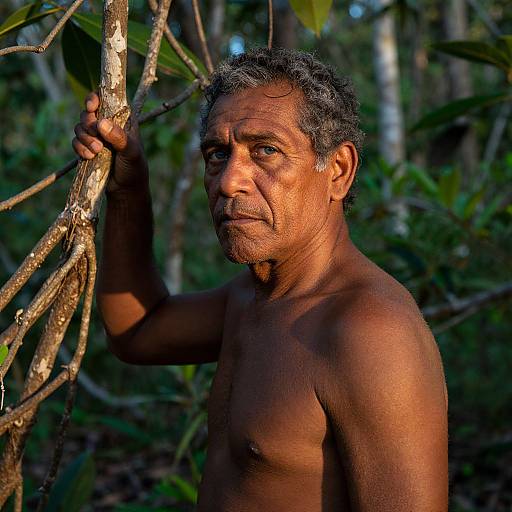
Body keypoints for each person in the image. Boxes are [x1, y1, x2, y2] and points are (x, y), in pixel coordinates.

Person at [72, 48, 448, 511]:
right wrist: (129, 185)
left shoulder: (369, 332)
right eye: (217, 154)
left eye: (265, 151)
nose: (230, 181)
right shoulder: (254, 296)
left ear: (338, 170)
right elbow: (140, 332)